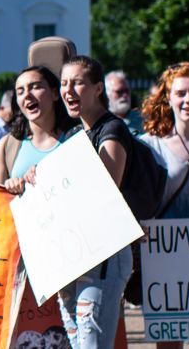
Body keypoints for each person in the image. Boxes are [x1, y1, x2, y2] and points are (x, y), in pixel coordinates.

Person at [58, 55, 132, 349]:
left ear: (98, 88)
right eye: (64, 83)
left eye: (77, 83)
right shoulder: (78, 134)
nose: (68, 91)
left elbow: (105, 188)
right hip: (77, 256)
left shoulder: (111, 130)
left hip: (105, 255)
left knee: (92, 345)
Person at [139, 62, 189, 349]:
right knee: (169, 343)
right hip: (164, 258)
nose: (188, 101)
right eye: (180, 93)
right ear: (167, 97)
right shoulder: (148, 146)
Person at [0, 66, 74, 192]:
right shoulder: (6, 145)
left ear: (55, 93)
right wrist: (9, 189)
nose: (27, 95)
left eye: (35, 87)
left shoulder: (77, 138)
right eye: (20, 91)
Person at [105, 70, 144, 135]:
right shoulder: (100, 122)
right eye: (119, 91)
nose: (125, 95)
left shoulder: (144, 120)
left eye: (127, 91)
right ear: (107, 94)